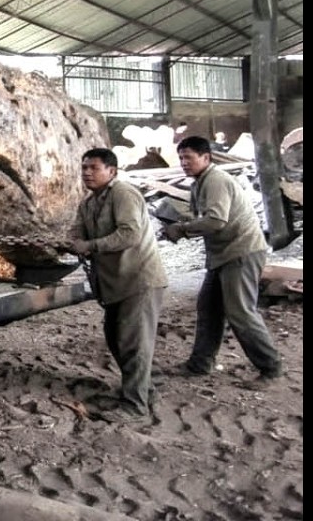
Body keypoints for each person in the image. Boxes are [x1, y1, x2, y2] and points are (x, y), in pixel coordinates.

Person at [162, 136, 283, 385]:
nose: (184, 162)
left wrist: (182, 229)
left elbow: (217, 221)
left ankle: (270, 368)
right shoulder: (200, 183)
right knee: (209, 308)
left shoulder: (215, 180)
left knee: (240, 313)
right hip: (223, 254)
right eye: (181, 157)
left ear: (206, 158)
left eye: (189, 157)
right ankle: (200, 364)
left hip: (241, 252)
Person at [68, 148, 169, 423]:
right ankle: (142, 389)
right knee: (116, 338)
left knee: (132, 342)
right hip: (116, 283)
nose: (87, 173)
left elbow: (130, 233)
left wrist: (89, 246)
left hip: (139, 280)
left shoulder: (123, 194)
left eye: (94, 168)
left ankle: (135, 406)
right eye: (84, 167)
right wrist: (73, 240)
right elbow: (77, 230)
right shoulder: (89, 203)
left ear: (111, 171)